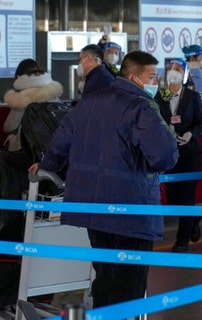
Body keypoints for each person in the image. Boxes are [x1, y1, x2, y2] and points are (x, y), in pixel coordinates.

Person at [29, 51, 178, 307]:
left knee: (105, 276)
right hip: (131, 209)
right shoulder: (140, 106)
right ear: (134, 77)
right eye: (152, 76)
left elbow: (58, 145)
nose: (156, 82)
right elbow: (165, 156)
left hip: (92, 208)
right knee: (128, 284)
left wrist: (44, 167)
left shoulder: (87, 104)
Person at [155, 58, 202, 253]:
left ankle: (182, 240)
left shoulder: (192, 97)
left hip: (190, 153)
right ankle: (193, 220)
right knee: (172, 195)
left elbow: (201, 122)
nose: (173, 72)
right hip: (170, 154)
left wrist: (190, 134)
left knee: (186, 195)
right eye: (170, 68)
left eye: (177, 69)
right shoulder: (160, 97)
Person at [3, 59, 63, 151]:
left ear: (19, 76)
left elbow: (8, 127)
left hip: (28, 149)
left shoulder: (21, 98)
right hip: (53, 146)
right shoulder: (53, 93)